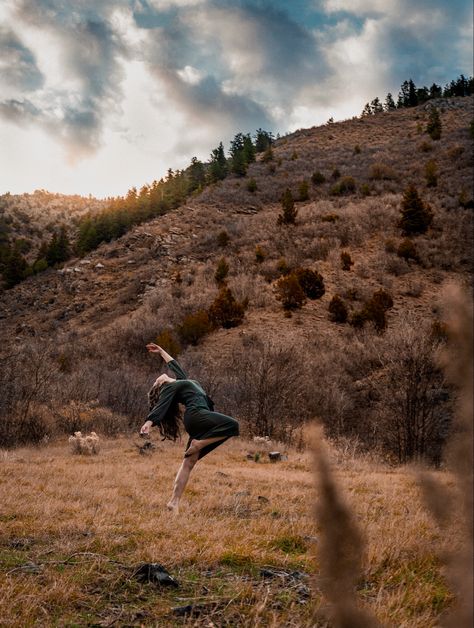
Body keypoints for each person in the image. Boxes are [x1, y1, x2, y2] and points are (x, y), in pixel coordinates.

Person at [140, 343, 239, 513]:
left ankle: (174, 502)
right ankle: (199, 444)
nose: (157, 378)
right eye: (156, 382)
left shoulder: (182, 382)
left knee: (188, 463)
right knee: (233, 425)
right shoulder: (170, 388)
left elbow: (176, 367)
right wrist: (149, 422)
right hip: (198, 415)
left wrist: (162, 351)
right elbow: (161, 406)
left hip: (197, 421)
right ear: (161, 386)